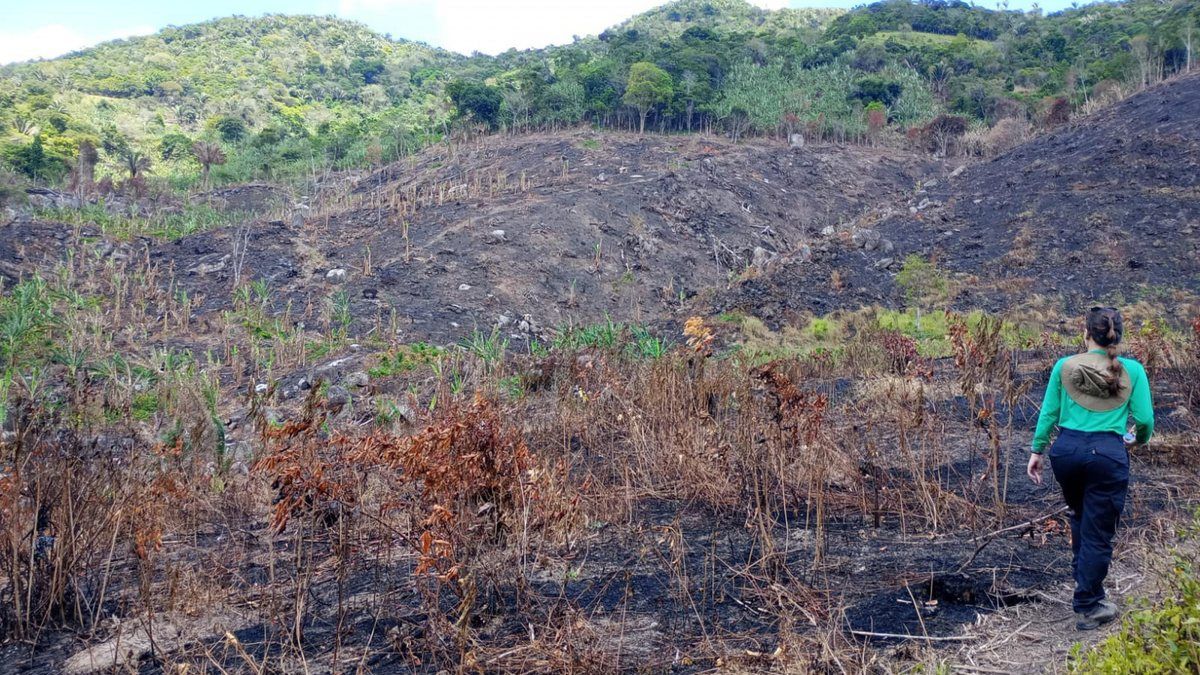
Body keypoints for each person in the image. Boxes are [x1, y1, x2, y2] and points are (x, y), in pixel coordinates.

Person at [1027, 307, 1154, 630]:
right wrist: (1136, 439)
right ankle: (1088, 603)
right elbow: (1145, 421)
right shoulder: (1133, 371)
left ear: (1085, 334)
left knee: (1082, 517)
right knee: (1098, 528)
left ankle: (1089, 588)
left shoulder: (1064, 366)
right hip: (1107, 454)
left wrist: (1037, 450)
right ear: (1118, 336)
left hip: (1066, 451)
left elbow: (1049, 413)